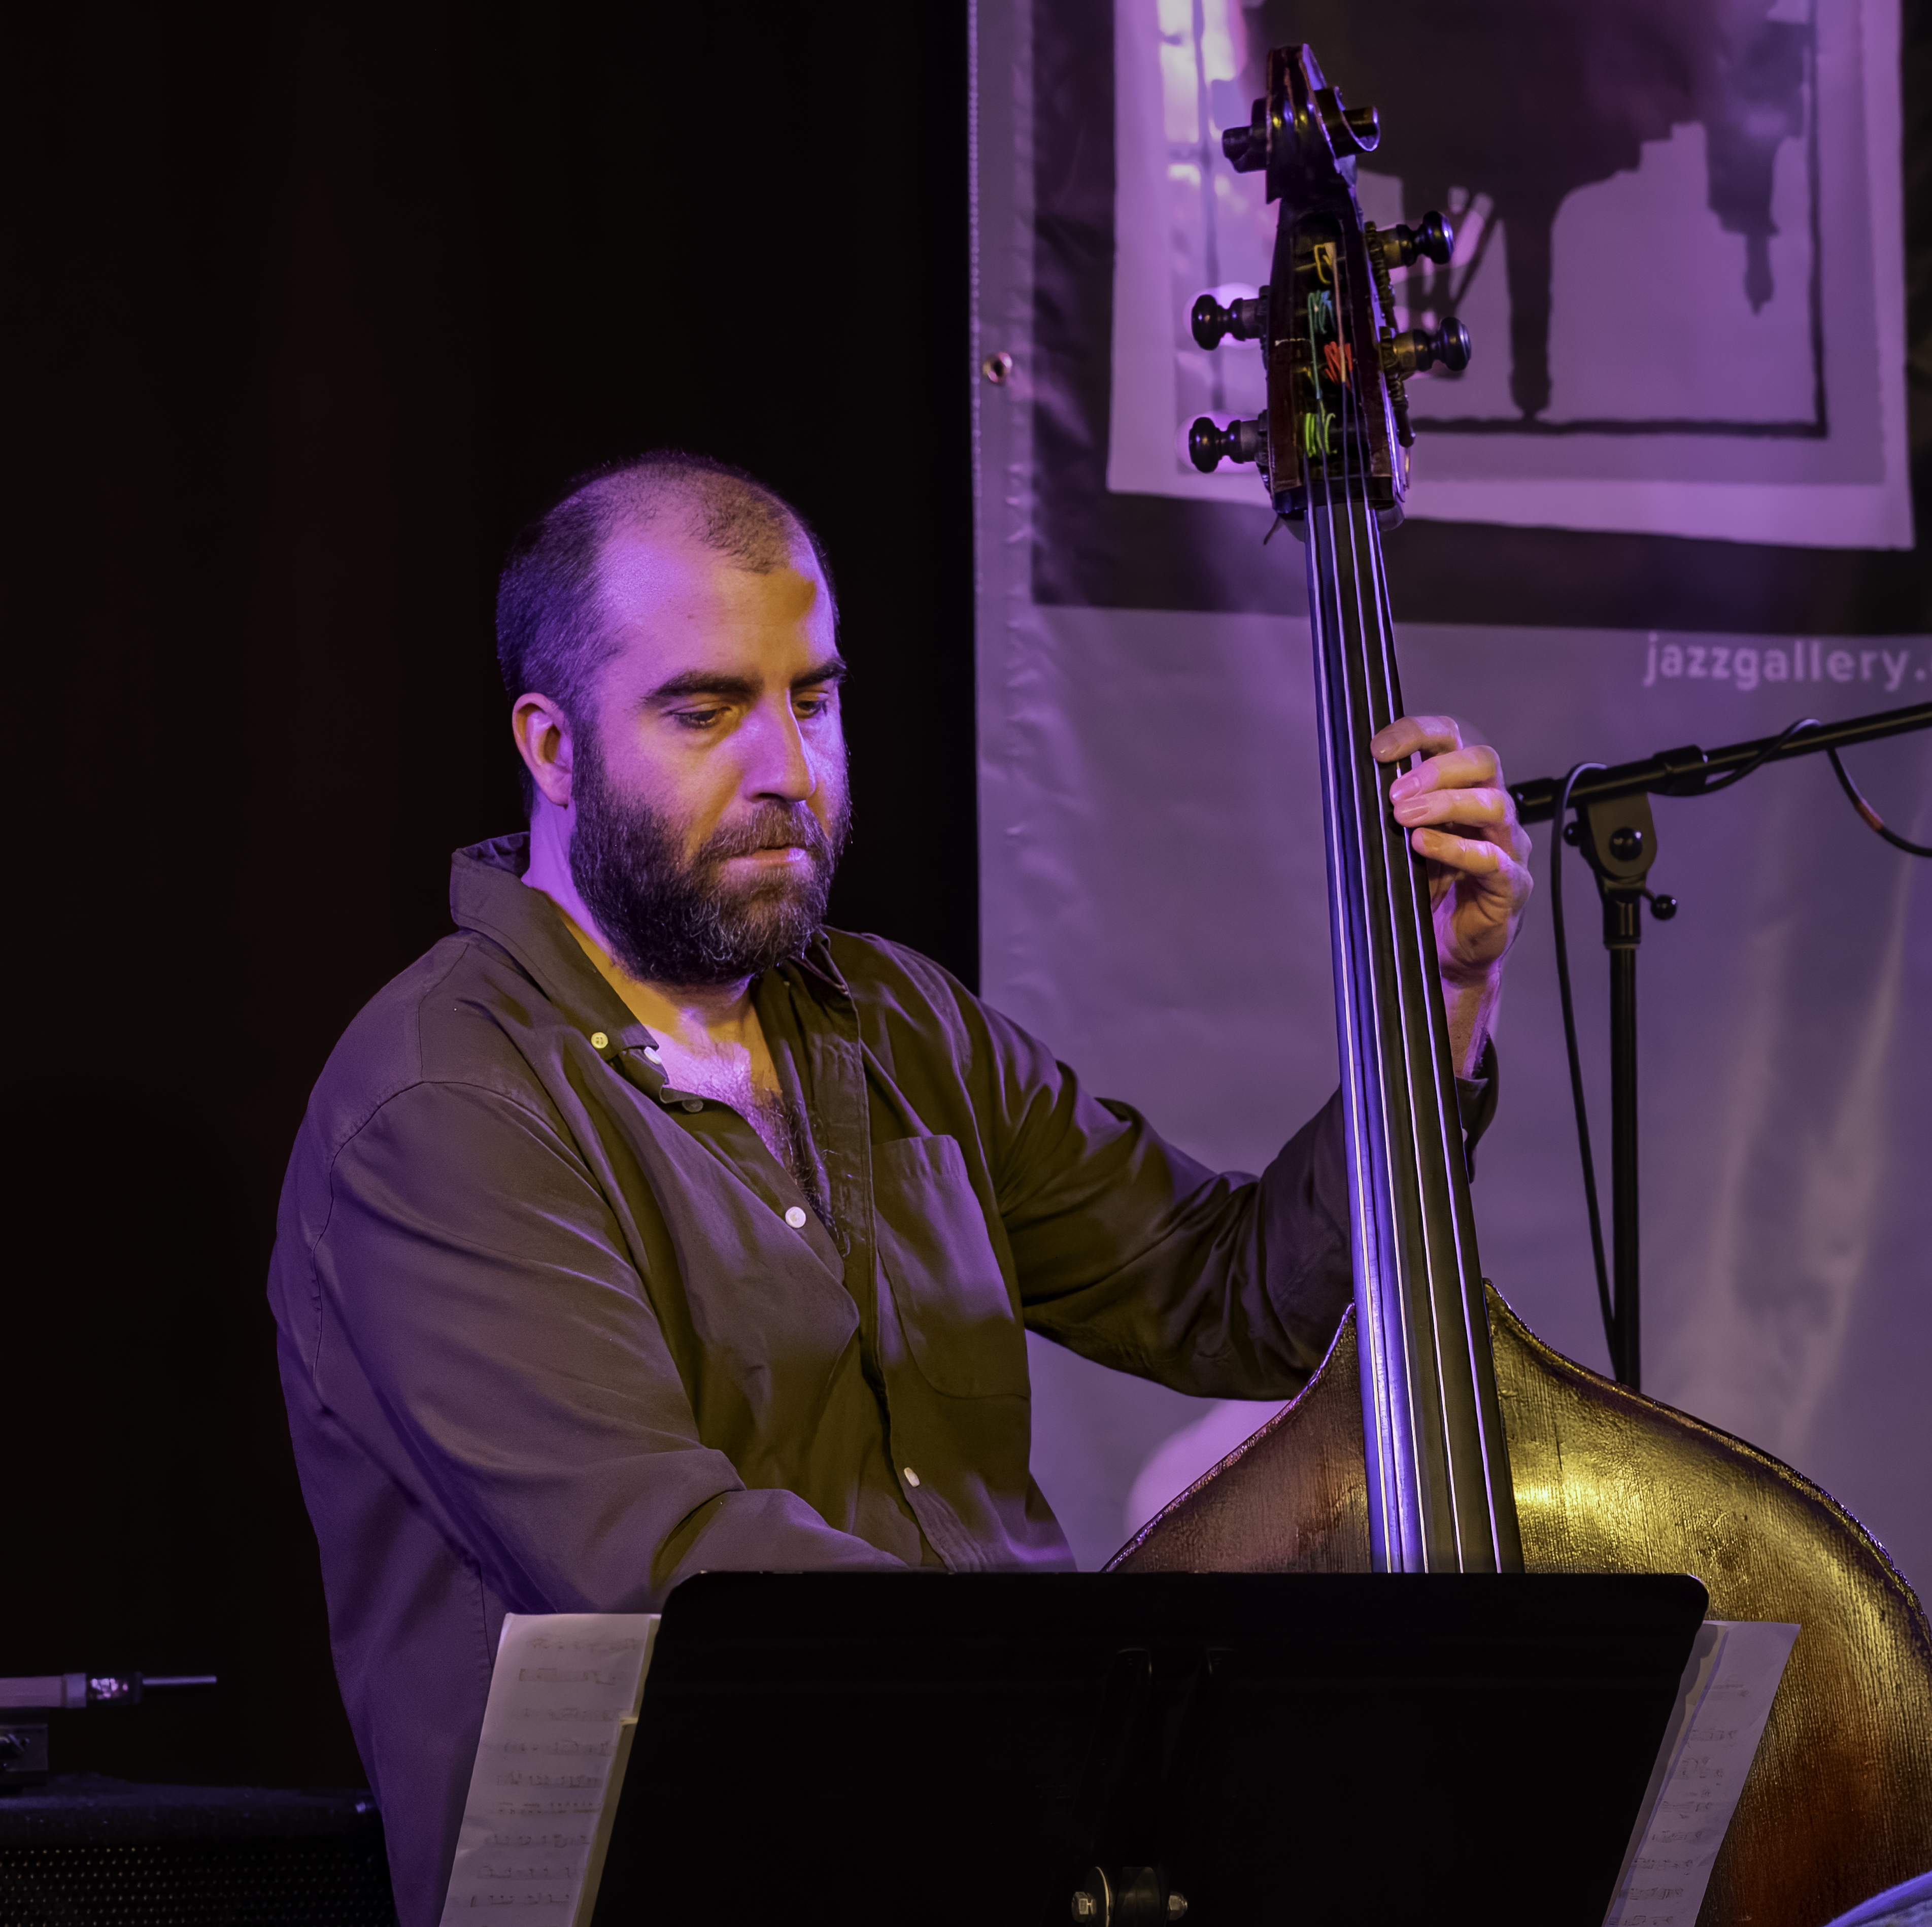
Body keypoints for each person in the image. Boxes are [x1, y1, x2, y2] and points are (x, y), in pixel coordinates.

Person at [267, 452, 1534, 1926]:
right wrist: (1122, 1696)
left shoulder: (894, 1021)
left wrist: (1436, 999)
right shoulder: (445, 1104)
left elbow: (1238, 1300)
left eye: (812, 698)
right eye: (705, 709)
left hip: (1007, 1854)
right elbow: (676, 1577)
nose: (786, 769)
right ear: (553, 748)